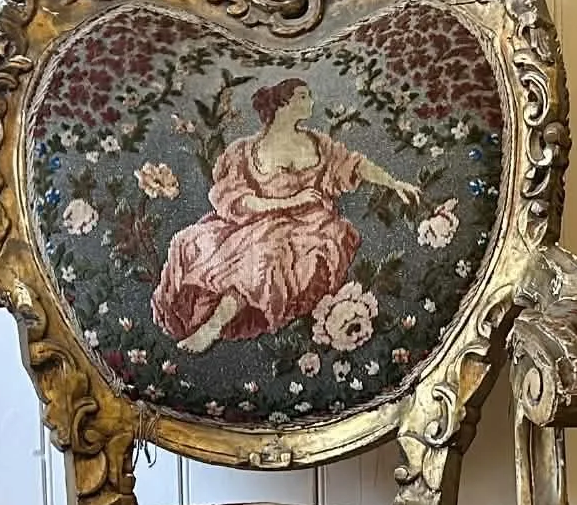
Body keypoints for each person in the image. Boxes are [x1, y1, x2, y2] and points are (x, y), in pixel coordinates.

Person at [150, 76, 421, 354]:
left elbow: (354, 165)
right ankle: (202, 320)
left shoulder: (317, 143)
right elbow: (239, 199)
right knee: (189, 241)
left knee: (266, 256)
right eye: (304, 96)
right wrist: (290, 200)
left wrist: (393, 182)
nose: (311, 102)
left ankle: (212, 327)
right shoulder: (246, 151)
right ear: (283, 103)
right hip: (257, 221)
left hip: (309, 227)